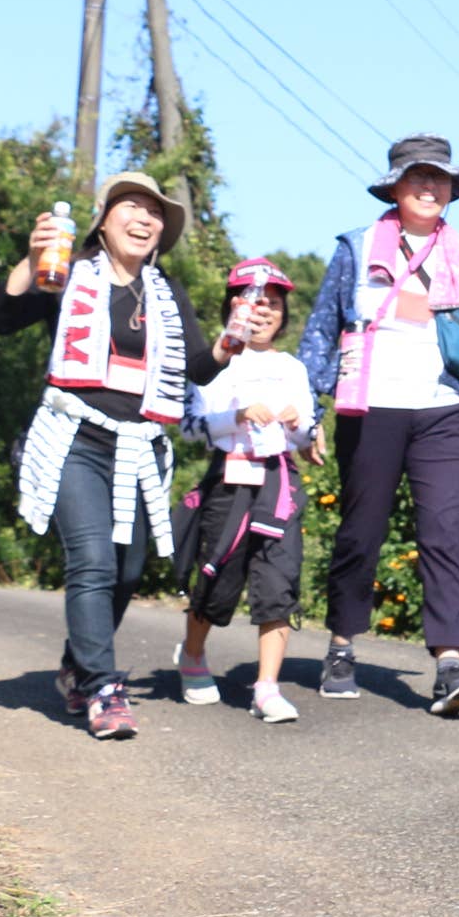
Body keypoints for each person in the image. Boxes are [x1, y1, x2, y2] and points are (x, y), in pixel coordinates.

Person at [0, 171, 222, 740]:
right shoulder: (67, 275)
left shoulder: (166, 293)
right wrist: (31, 258)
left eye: (155, 213)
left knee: (127, 569)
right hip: (74, 439)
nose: (144, 219)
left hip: (139, 447)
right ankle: (102, 687)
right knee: (91, 559)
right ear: (103, 218)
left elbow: (199, 367)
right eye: (132, 207)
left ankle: (76, 664)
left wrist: (228, 344)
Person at [299, 134, 459, 714]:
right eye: (418, 177)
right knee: (361, 531)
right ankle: (341, 645)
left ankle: (448, 664)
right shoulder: (357, 248)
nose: (429, 187)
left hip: (445, 409)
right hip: (372, 404)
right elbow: (321, 328)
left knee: (442, 534)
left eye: (440, 179)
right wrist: (311, 409)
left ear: (452, 190)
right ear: (395, 186)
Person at [170, 259, 316, 724]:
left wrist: (302, 424)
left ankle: (266, 688)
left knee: (279, 581)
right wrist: (234, 417)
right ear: (234, 307)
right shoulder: (213, 361)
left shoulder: (292, 367)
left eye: (273, 305)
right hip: (227, 480)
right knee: (217, 581)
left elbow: (310, 434)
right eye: (255, 302)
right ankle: (192, 655)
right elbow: (189, 427)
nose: (264, 312)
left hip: (278, 481)